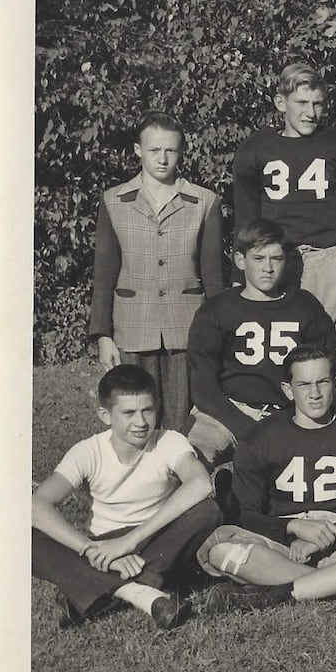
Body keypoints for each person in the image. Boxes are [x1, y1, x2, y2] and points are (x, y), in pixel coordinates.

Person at [195, 344, 336, 612]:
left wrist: (332, 535)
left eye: (322, 382)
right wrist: (291, 527)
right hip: (284, 546)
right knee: (220, 549)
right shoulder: (260, 437)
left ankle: (280, 593)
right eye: (303, 385)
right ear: (288, 389)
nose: (314, 394)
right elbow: (245, 513)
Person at [32, 365, 220, 630]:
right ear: (105, 415)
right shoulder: (87, 452)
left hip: (152, 538)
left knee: (208, 511)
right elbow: (37, 505)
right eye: (129, 413)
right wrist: (89, 548)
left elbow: (200, 484)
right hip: (100, 547)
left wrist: (128, 542)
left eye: (148, 410)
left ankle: (85, 593)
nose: (141, 422)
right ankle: (143, 593)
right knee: (24, 534)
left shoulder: (169, 441)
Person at [231, 60, 336, 370]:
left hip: (328, 260)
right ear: (281, 103)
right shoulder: (256, 148)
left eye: (318, 104)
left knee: (333, 352)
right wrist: (241, 282)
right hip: (276, 260)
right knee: (278, 351)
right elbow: (245, 224)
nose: (310, 112)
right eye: (302, 103)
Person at [91, 113, 225, 433]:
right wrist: (103, 335)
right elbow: (104, 274)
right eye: (154, 151)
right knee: (136, 415)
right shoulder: (114, 200)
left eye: (171, 151)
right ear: (138, 150)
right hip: (133, 326)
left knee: (180, 420)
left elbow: (213, 276)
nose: (163, 159)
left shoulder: (204, 201)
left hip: (186, 327)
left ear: (181, 151)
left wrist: (219, 332)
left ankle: (178, 479)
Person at [185, 220, 336, 466]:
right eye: (258, 258)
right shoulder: (216, 310)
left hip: (290, 413)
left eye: (276, 259)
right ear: (239, 260)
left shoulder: (305, 306)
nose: (267, 268)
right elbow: (203, 386)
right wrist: (247, 428)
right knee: (192, 457)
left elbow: (329, 366)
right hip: (227, 411)